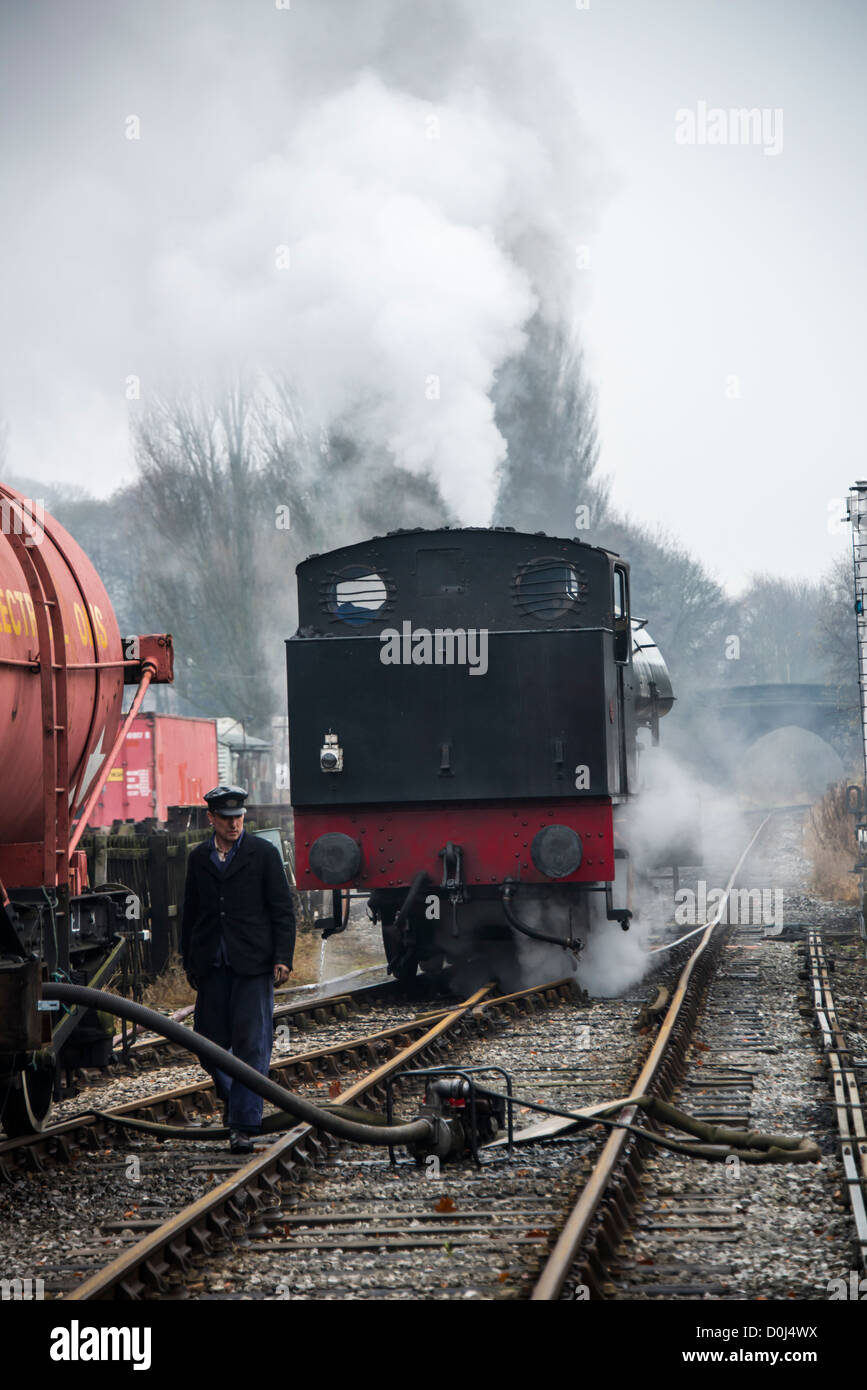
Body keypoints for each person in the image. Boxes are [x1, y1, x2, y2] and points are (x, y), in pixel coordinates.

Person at [181, 784, 295, 1153]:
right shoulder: (199, 858)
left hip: (253, 964)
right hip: (212, 964)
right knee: (206, 1042)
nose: (234, 824)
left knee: (252, 1045)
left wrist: (283, 957)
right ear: (211, 818)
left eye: (239, 817)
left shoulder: (263, 854)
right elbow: (191, 914)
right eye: (227, 818)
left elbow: (282, 910)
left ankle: (243, 1124)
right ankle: (237, 1098)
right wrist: (190, 960)